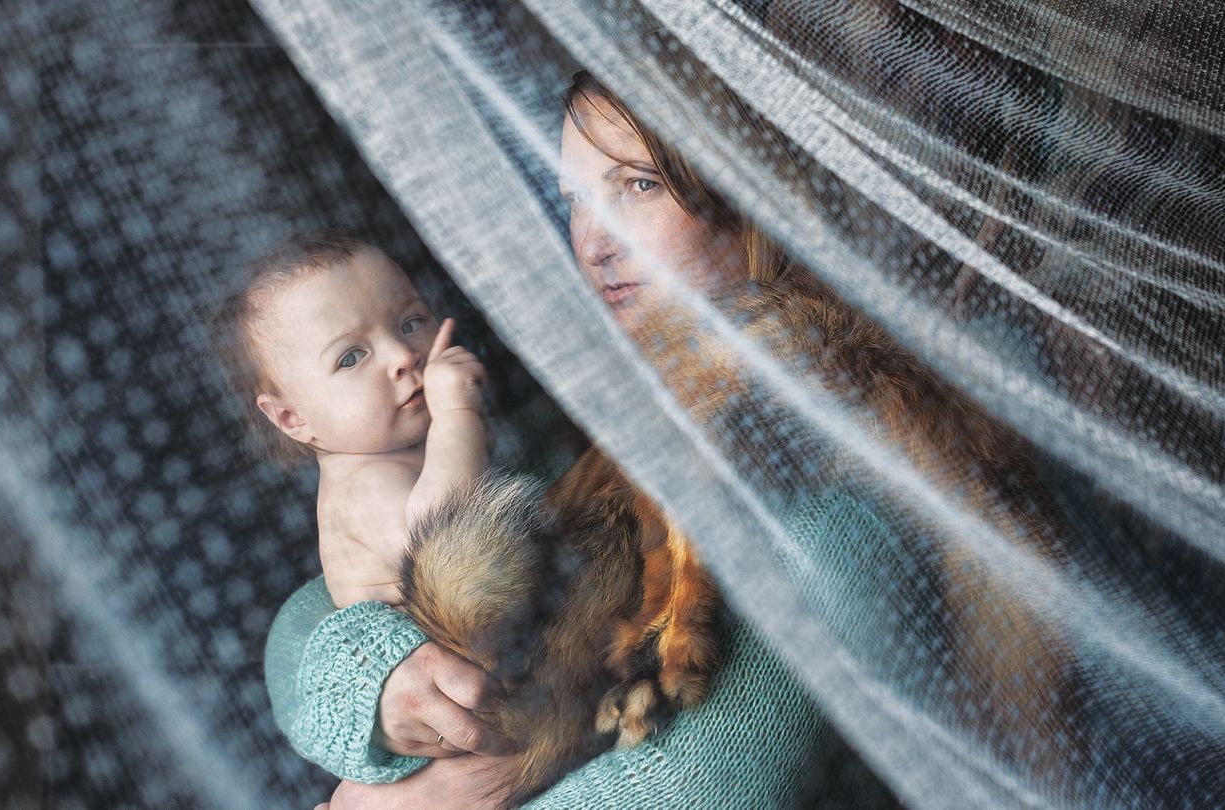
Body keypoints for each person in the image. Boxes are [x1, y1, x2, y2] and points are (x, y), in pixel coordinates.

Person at [264, 73, 902, 809]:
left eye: (639, 186)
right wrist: (381, 677)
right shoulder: (613, 393)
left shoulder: (853, 458)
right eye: (575, 198)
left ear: (751, 183)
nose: (594, 243)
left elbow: (689, 785)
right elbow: (308, 616)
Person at [212, 234, 488, 611]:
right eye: (351, 358)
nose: (403, 355)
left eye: (411, 323)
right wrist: (458, 415)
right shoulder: (361, 486)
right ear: (292, 417)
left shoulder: (405, 449)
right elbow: (448, 548)